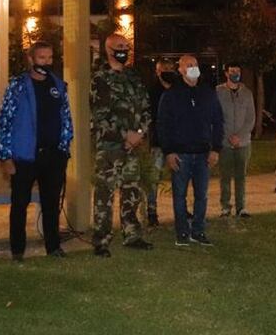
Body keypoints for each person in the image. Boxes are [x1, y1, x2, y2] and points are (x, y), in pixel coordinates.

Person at [0, 41, 73, 260]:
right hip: (25, 156)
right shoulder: (18, 85)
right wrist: (5, 155)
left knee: (51, 203)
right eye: (41, 58)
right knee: (20, 204)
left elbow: (66, 117)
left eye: (49, 58)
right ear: (31, 59)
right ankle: (18, 250)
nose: (46, 63)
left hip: (53, 155)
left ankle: (53, 247)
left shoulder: (57, 85)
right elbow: (5, 121)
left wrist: (64, 147)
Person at [89, 33, 154, 257]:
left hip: (132, 147)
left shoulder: (133, 78)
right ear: (108, 50)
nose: (124, 50)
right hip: (110, 147)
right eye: (119, 46)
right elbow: (99, 116)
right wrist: (124, 135)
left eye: (127, 46)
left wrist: (139, 133)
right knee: (105, 194)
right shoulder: (100, 78)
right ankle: (101, 240)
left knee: (131, 191)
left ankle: (132, 234)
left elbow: (146, 107)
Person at [158, 55, 223, 246]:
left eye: (195, 64)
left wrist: (216, 149)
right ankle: (182, 233)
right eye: (188, 65)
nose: (193, 67)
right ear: (180, 70)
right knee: (180, 196)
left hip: (203, 153)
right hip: (180, 154)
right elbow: (163, 125)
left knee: (201, 195)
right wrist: (168, 151)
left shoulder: (208, 93)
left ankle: (198, 231)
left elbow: (218, 122)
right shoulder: (170, 96)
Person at [215, 61, 255, 218]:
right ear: (226, 73)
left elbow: (251, 118)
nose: (235, 73)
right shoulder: (218, 92)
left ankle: (241, 207)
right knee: (224, 177)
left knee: (241, 176)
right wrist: (226, 136)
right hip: (224, 143)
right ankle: (225, 207)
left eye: (237, 71)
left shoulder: (247, 93)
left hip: (243, 142)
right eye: (232, 71)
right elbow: (215, 117)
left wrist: (240, 136)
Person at [145, 58, 176, 227]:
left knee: (179, 177)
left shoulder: (178, 89)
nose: (166, 71)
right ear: (157, 71)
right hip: (158, 142)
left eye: (170, 68)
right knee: (153, 178)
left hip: (176, 142)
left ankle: (180, 208)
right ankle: (151, 211)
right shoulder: (152, 90)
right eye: (163, 69)